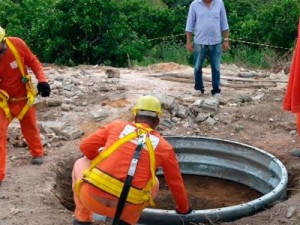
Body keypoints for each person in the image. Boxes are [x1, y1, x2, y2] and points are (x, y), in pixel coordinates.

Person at [72, 95, 191, 225]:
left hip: (92, 200)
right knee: (154, 182)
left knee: (80, 162)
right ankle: (126, 222)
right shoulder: (164, 147)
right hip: (127, 208)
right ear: (157, 122)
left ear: (135, 117)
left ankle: (82, 218)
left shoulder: (116, 126)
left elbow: (85, 147)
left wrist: (99, 161)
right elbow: (175, 182)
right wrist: (183, 209)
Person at [0, 26, 51, 186]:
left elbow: (33, 61)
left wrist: (42, 80)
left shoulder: (17, 45)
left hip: (23, 98)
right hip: (2, 102)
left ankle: (37, 153)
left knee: (30, 127)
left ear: (2, 42)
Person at [185, 0, 230, 97]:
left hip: (216, 41)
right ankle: (199, 89)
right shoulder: (194, 5)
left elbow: (224, 23)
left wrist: (226, 40)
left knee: (216, 68)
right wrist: (188, 42)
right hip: (199, 42)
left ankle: (216, 90)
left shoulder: (219, 3)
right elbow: (189, 25)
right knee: (197, 67)